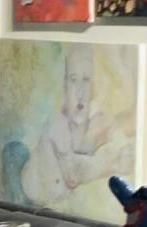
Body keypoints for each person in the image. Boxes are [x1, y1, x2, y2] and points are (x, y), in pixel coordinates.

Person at [21, 45, 135, 214]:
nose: (80, 92)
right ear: (64, 86)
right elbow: (73, 177)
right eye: (73, 80)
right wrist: (113, 164)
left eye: (86, 80)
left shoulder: (98, 122)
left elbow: (124, 141)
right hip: (35, 208)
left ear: (94, 85)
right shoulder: (56, 124)